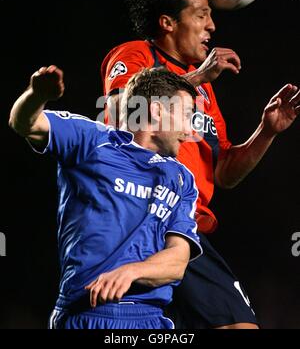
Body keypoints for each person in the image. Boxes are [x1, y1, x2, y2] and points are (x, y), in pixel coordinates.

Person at [100, 0, 300, 329]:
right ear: (168, 22)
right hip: (145, 218)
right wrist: (193, 81)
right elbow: (120, 112)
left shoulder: (204, 91)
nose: (212, 25)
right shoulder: (136, 55)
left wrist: (265, 132)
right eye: (202, 14)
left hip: (187, 227)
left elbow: (224, 173)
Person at [9, 65, 203, 329]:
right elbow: (24, 123)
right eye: (186, 114)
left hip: (151, 319)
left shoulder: (181, 177)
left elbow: (177, 261)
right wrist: (36, 94)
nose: (190, 130)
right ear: (158, 111)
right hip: (86, 314)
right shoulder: (92, 140)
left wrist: (133, 271)